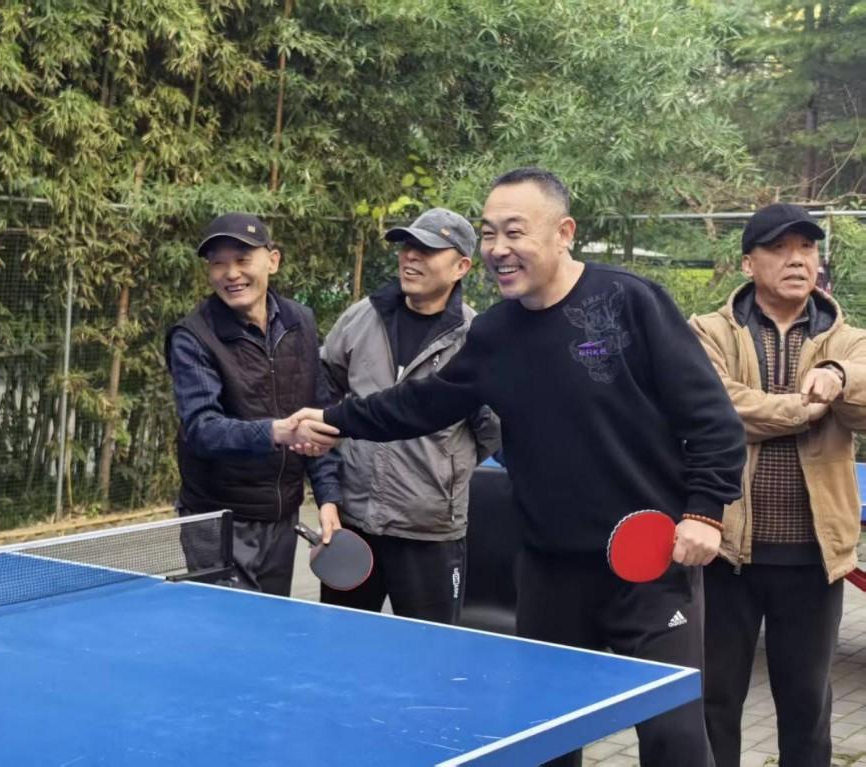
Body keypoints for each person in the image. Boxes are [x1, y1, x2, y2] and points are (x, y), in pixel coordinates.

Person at [291, 167, 746, 766]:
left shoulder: (630, 302)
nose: (498, 249)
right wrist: (333, 420)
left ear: (564, 232)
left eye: (514, 231)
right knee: (548, 742)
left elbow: (713, 420)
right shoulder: (494, 333)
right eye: (488, 234)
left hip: (650, 566)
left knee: (676, 741)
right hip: (549, 574)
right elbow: (421, 403)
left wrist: (705, 512)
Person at [690, 203, 866, 767]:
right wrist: (805, 409)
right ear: (748, 263)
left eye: (807, 248)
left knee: (806, 704)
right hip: (724, 552)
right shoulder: (708, 332)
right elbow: (717, 408)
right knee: (714, 700)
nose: (797, 260)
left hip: (814, 558)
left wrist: (839, 376)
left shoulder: (848, 340)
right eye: (779, 248)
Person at [319, 207, 501, 624]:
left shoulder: (475, 337)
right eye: (407, 246)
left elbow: (492, 430)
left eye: (428, 249)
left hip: (430, 531)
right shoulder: (361, 317)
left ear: (461, 267)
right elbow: (326, 393)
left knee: (430, 654)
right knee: (339, 645)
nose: (411, 256)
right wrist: (334, 483)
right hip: (354, 524)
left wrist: (445, 471)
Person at [164, 212, 342, 597]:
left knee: (269, 625)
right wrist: (277, 432)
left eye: (242, 259)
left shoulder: (300, 321)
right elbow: (202, 429)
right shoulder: (192, 336)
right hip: (219, 520)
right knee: (224, 628)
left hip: (282, 518)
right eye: (218, 264)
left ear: (272, 261)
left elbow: (319, 415)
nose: (231, 273)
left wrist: (328, 499)